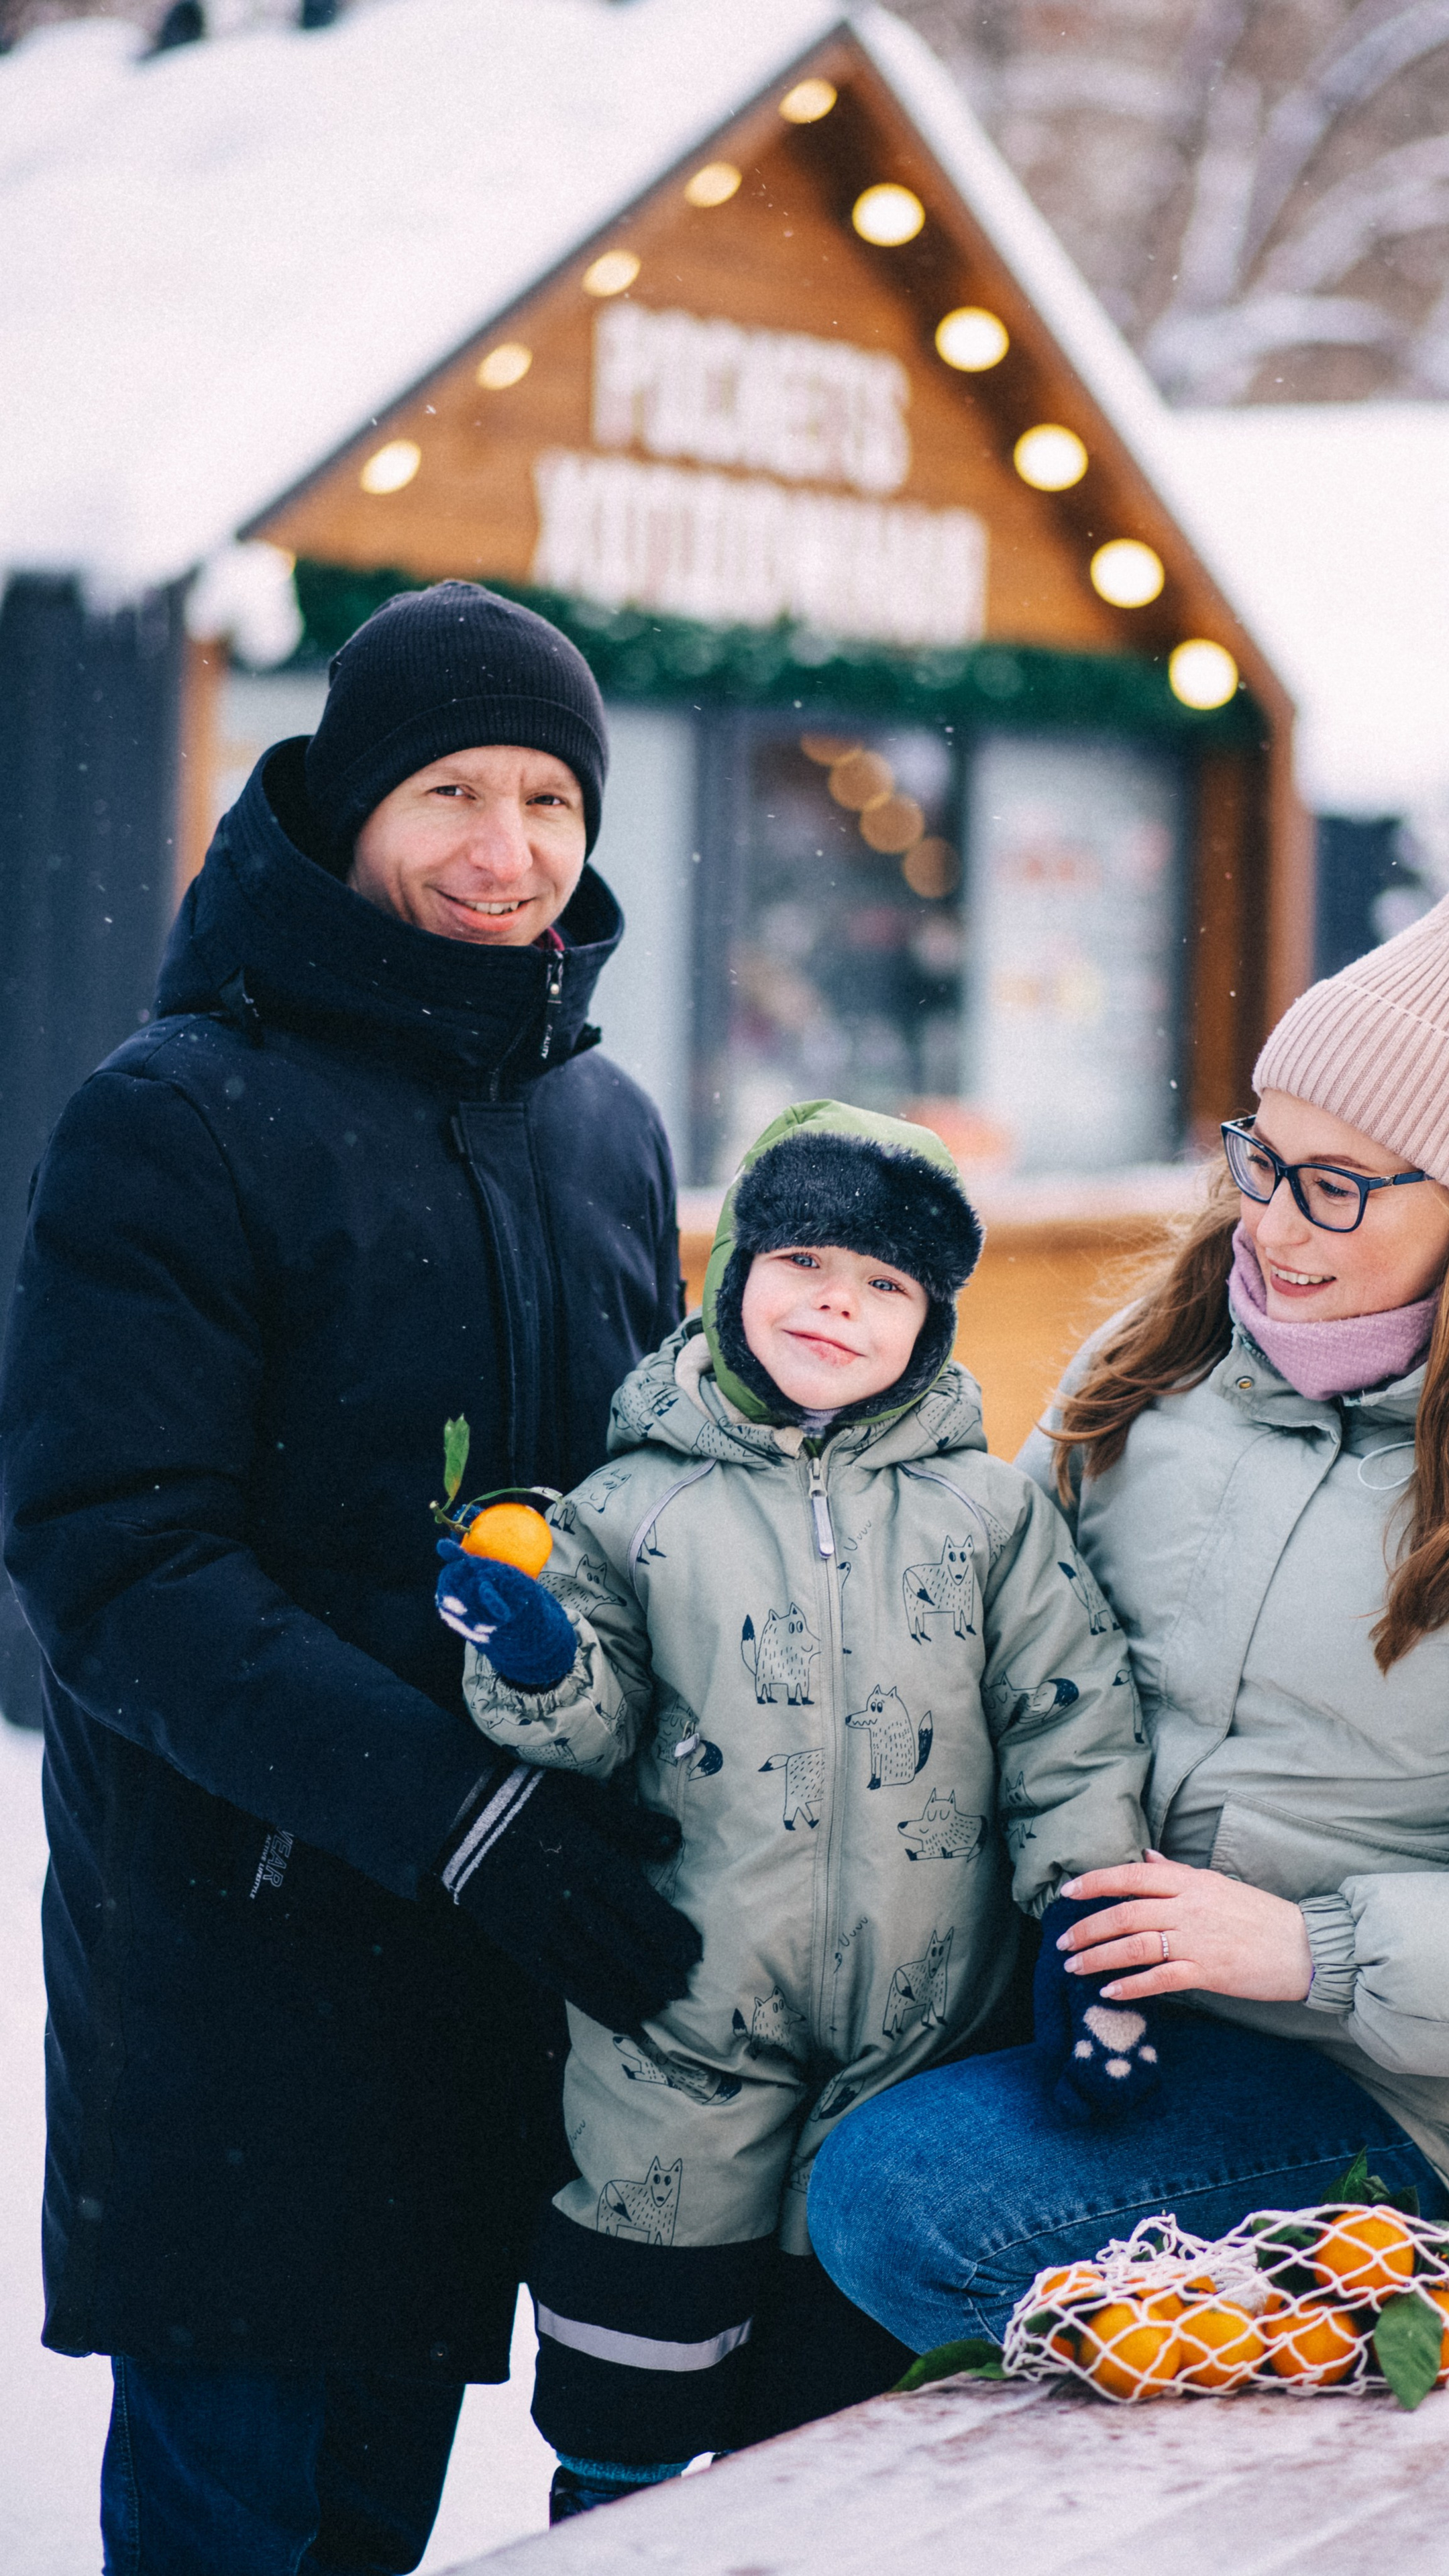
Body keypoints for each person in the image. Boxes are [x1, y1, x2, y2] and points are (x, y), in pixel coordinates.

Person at [0, 581, 701, 2576]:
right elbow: (117, 1568)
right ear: (347, 810)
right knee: (235, 2520)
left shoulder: (604, 1127)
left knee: (375, 2521)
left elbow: (644, 1507)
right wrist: (455, 1813)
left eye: (553, 797)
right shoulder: (178, 1115)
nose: (508, 851)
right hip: (242, 1971)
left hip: (482, 1985)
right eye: (453, 792)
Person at [807, 858, 1449, 2353]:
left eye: (1337, 1187)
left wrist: (1309, 1949)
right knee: (768, 2082)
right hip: (1110, 1984)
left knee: (898, 2198)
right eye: (1260, 1157)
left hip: (1403, 2083)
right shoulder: (1168, 1358)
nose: (1272, 1229)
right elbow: (1001, 1619)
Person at [433, 1100, 1150, 2512]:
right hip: (678, 2036)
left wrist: (1085, 1930)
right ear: (731, 1276)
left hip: (919, 2039)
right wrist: (532, 1650)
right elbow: (591, 1723)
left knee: (842, 2429)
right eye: (806, 1261)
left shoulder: (988, 1518)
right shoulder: (629, 1507)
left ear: (933, 1321)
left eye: (887, 1284)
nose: (840, 1303)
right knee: (634, 2387)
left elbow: (1070, 1721)